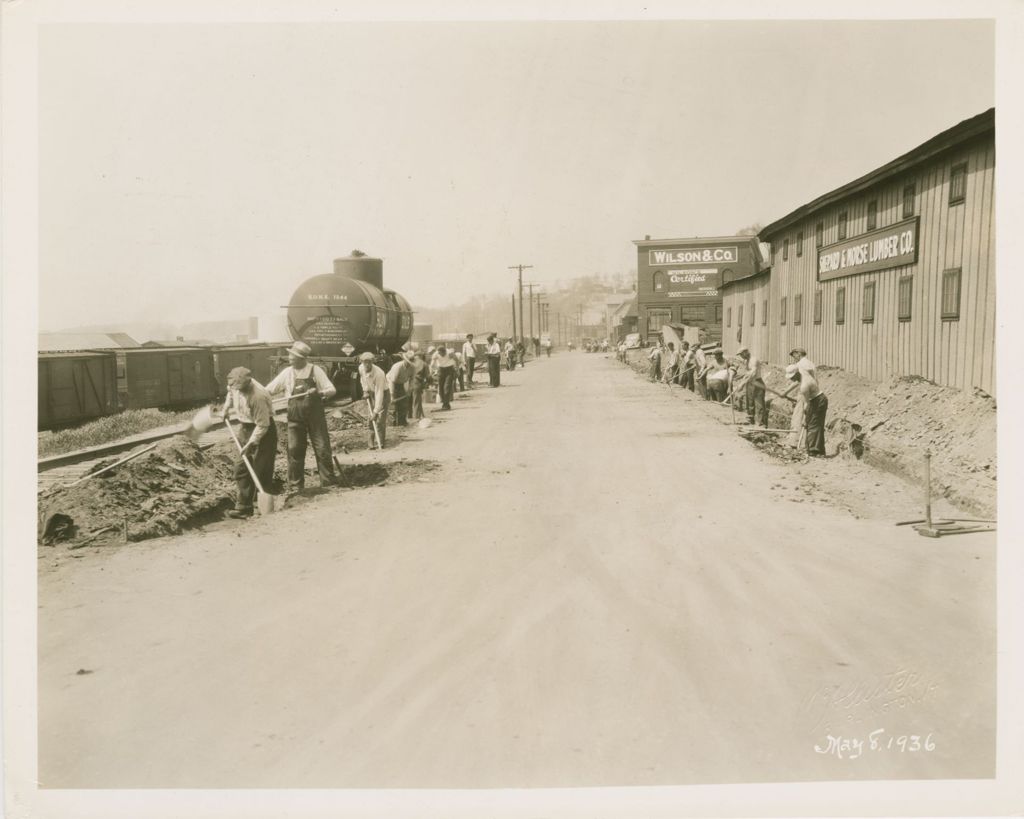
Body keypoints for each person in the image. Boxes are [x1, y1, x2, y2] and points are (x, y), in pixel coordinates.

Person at [265, 340, 337, 492]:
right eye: (290, 355)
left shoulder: (315, 370)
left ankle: (328, 483)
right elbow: (269, 390)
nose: (290, 358)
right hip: (295, 418)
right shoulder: (287, 372)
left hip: (315, 418)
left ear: (302, 359)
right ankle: (296, 487)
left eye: (293, 356)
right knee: (294, 450)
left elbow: (332, 389)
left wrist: (320, 392)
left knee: (322, 448)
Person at [218, 366, 278, 519]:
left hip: (263, 432)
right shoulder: (234, 385)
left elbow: (263, 425)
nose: (238, 390)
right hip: (245, 428)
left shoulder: (258, 396)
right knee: (241, 468)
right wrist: (225, 409)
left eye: (241, 388)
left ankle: (265, 509)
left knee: (261, 470)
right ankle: (244, 507)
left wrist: (251, 443)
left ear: (247, 383)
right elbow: (230, 394)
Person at [789, 349, 828, 456]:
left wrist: (805, 419)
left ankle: (813, 451)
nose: (791, 380)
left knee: (812, 425)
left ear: (796, 374)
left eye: (792, 377)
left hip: (818, 400)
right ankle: (817, 451)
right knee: (815, 425)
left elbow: (807, 404)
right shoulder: (804, 377)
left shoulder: (804, 386)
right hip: (817, 399)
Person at [358, 351, 390, 448]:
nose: (367, 364)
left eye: (369, 362)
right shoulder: (361, 368)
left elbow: (379, 393)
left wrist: (376, 411)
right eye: (365, 362)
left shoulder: (379, 373)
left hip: (383, 394)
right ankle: (371, 444)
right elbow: (362, 379)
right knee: (370, 418)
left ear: (373, 362)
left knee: (379, 420)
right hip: (371, 393)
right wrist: (365, 390)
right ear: (362, 362)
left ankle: (381, 443)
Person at [734, 347, 768, 427]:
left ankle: (761, 423)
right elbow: (748, 372)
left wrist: (742, 384)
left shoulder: (753, 360)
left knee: (759, 403)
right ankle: (750, 419)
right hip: (750, 383)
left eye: (741, 354)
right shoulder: (747, 361)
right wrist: (740, 377)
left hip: (757, 383)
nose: (741, 356)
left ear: (746, 352)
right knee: (750, 401)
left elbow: (753, 373)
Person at [386, 351, 415, 427]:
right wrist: (392, 394)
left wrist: (409, 390)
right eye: (408, 362)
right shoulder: (397, 367)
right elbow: (392, 381)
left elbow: (412, 379)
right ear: (404, 360)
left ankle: (402, 422)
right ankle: (392, 423)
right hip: (391, 382)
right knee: (393, 404)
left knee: (404, 403)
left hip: (401, 384)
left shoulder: (412, 368)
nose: (409, 364)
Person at [431, 345, 458, 410]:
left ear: (445, 351)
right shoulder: (436, 354)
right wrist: (433, 371)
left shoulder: (450, 353)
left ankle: (446, 404)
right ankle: (445, 403)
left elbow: (456, 360)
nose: (442, 355)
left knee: (447, 387)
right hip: (441, 370)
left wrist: (457, 369)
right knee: (440, 388)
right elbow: (432, 364)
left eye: (443, 353)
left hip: (449, 370)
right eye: (440, 353)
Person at [409, 349, 428, 420]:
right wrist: (428, 383)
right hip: (417, 383)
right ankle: (416, 417)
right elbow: (427, 376)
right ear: (421, 356)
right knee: (416, 401)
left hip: (408, 382)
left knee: (409, 400)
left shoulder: (411, 362)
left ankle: (409, 415)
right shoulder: (424, 364)